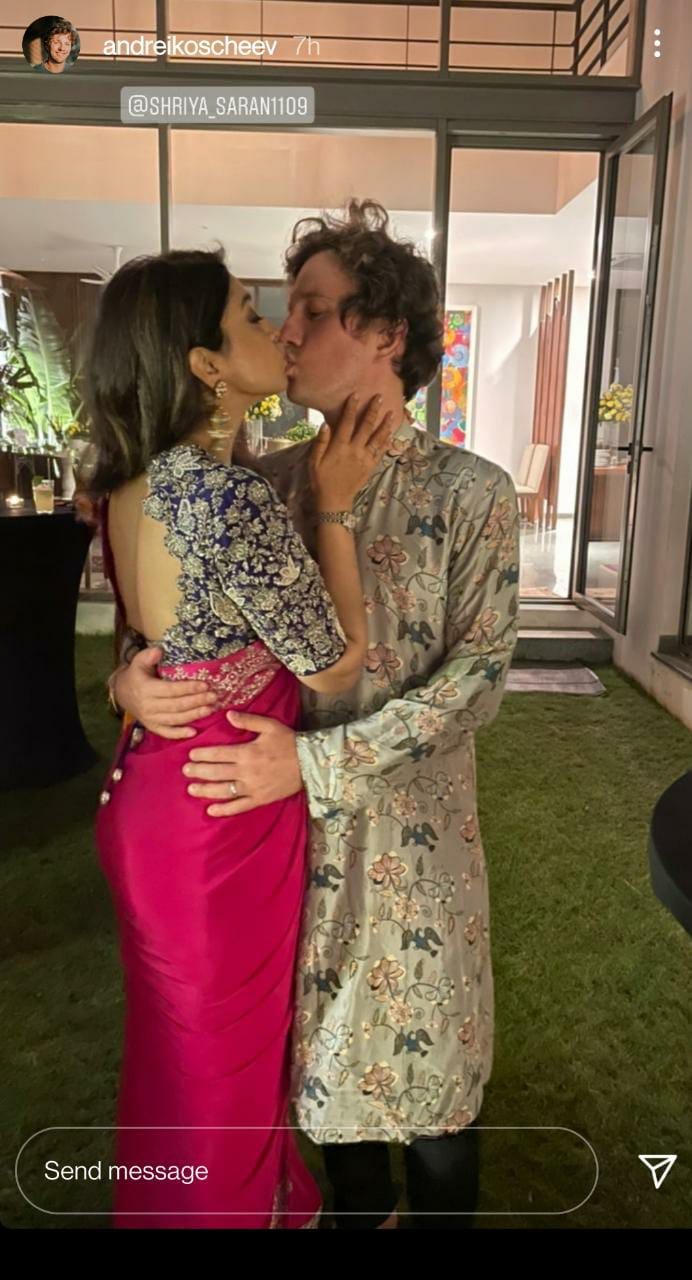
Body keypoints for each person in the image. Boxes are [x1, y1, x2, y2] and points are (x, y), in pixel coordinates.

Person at [113, 202, 521, 1229]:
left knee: (433, 1097)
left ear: (385, 333)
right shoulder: (265, 484)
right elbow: (184, 613)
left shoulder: (472, 494)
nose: (288, 333)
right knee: (323, 1091)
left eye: (312, 310)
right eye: (277, 313)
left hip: (414, 852)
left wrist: (315, 762)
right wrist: (131, 679)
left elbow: (475, 679)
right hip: (280, 856)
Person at [88, 246, 394, 1229]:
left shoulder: (136, 479)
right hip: (219, 815)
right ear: (206, 365)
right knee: (220, 1093)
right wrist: (335, 507)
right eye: (251, 317)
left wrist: (121, 679)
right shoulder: (224, 496)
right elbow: (334, 666)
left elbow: (152, 639)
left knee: (178, 1079)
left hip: (157, 797)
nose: (278, 331)